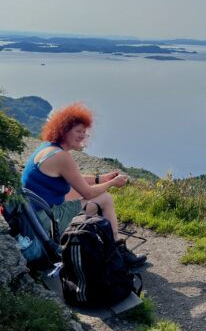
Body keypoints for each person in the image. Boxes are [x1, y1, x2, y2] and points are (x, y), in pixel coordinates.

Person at [21, 102, 146, 267]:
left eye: (84, 132)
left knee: (78, 191)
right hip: (45, 221)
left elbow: (76, 179)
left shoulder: (48, 148)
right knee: (105, 199)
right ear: (64, 130)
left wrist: (101, 178)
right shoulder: (62, 157)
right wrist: (113, 183)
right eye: (78, 131)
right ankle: (116, 252)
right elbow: (87, 193)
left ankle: (97, 241)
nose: (82, 135)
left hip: (33, 215)